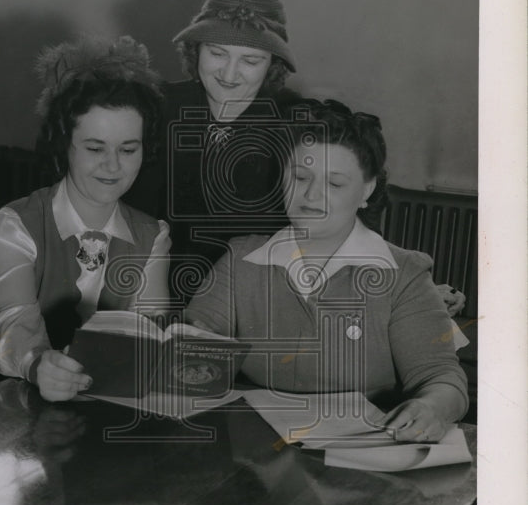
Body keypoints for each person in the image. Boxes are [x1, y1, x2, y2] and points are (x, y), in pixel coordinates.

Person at [124, 0, 467, 321]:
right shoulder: (152, 110)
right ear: (196, 50)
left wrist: (405, 283)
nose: (229, 73)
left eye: (250, 61)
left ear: (273, 64)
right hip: (147, 294)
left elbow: (351, 209)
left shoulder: (297, 121)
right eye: (217, 53)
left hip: (262, 299)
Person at [185, 100, 469, 442]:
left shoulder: (404, 273)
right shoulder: (241, 257)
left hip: (360, 454)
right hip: (257, 454)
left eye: (334, 184)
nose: (310, 194)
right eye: (300, 176)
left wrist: (432, 408)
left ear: (366, 190)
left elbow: (441, 376)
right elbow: (196, 342)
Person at [0, 35, 171, 403]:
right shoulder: (13, 225)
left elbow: (150, 336)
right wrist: (37, 364)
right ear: (63, 143)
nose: (113, 165)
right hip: (22, 412)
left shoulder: (154, 236)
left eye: (128, 149)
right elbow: (12, 323)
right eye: (95, 148)